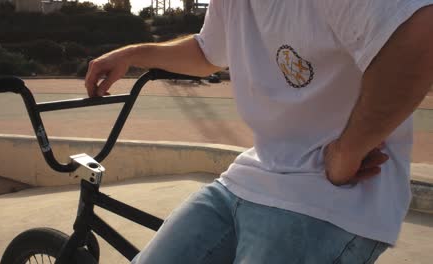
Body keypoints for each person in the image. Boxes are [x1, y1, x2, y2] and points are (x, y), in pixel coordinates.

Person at [85, 1, 433, 263]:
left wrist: (348, 151)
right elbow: (209, 52)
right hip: (248, 179)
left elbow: (420, 32)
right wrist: (134, 54)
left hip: (328, 198)